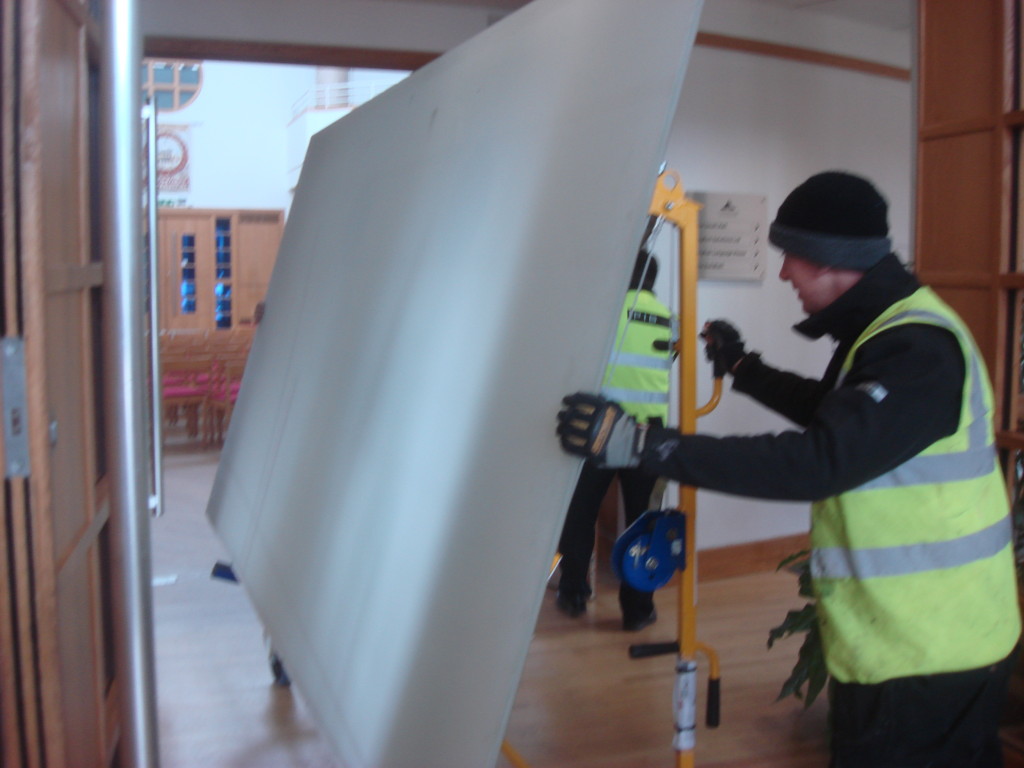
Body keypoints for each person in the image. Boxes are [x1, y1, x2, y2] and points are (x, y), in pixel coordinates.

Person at [557, 171, 1022, 766]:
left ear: (832, 261)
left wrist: (641, 443)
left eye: (791, 259)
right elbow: (838, 418)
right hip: (917, 640)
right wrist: (744, 368)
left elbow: (820, 461)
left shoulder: (917, 350)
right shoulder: (888, 329)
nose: (782, 274)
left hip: (929, 650)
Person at [556, 248, 673, 631]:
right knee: (644, 521)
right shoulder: (669, 321)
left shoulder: (603, 315)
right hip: (650, 437)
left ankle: (573, 592)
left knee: (582, 512)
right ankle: (638, 610)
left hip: (601, 432)